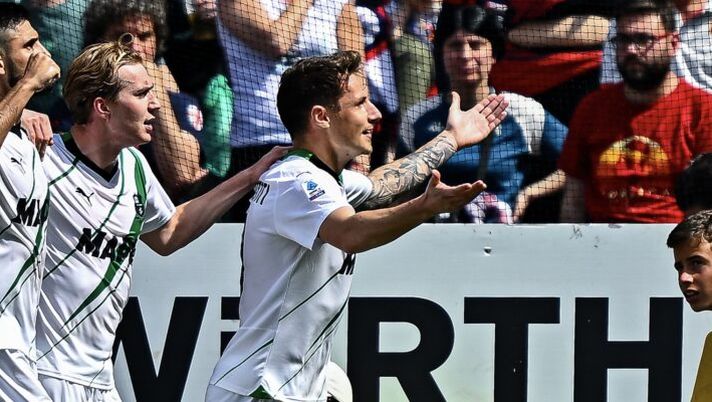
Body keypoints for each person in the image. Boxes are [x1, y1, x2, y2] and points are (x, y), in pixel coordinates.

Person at [207, 50, 507, 401]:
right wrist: (423, 208)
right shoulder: (295, 180)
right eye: (360, 103)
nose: (375, 114)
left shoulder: (325, 180)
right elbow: (351, 233)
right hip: (259, 390)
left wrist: (452, 138)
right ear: (321, 117)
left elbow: (383, 184)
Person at [33, 40, 286, 401]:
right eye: (142, 94)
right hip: (41, 373)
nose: (155, 104)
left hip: (101, 381)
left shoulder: (134, 165)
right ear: (103, 106)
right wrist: (18, 113)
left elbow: (168, 232)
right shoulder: (40, 161)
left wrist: (249, 177)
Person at [404, 4, 568, 223]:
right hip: (436, 240)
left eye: (475, 44)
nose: (465, 55)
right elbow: (402, 188)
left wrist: (530, 193)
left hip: (502, 241)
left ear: (494, 54)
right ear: (441, 54)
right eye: (455, 45)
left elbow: (576, 162)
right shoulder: (417, 118)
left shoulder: (522, 111)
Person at [558, 0, 712, 223]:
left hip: (675, 242)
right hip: (601, 242)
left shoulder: (702, 109)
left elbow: (706, 205)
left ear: (673, 43)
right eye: (623, 40)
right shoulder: (591, 109)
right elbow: (573, 197)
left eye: (643, 39)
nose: (631, 50)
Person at [216, 0, 364, 221]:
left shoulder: (338, 4)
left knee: (333, 233)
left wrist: (360, 149)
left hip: (326, 142)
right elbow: (277, 40)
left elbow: (356, 74)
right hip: (260, 144)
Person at [83, 0, 209, 199]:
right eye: (122, 37)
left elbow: (182, 175)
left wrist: (152, 84)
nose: (135, 47)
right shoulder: (80, 104)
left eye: (144, 36)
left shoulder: (182, 105)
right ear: (100, 41)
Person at [0, 4, 59, 401]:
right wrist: (27, 87)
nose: (41, 53)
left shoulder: (26, 133)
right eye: (29, 45)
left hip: (22, 337)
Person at [602, 0, 712, 92]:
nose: (631, 49)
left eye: (643, 39)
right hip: (644, 113)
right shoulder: (627, 23)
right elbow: (611, 88)